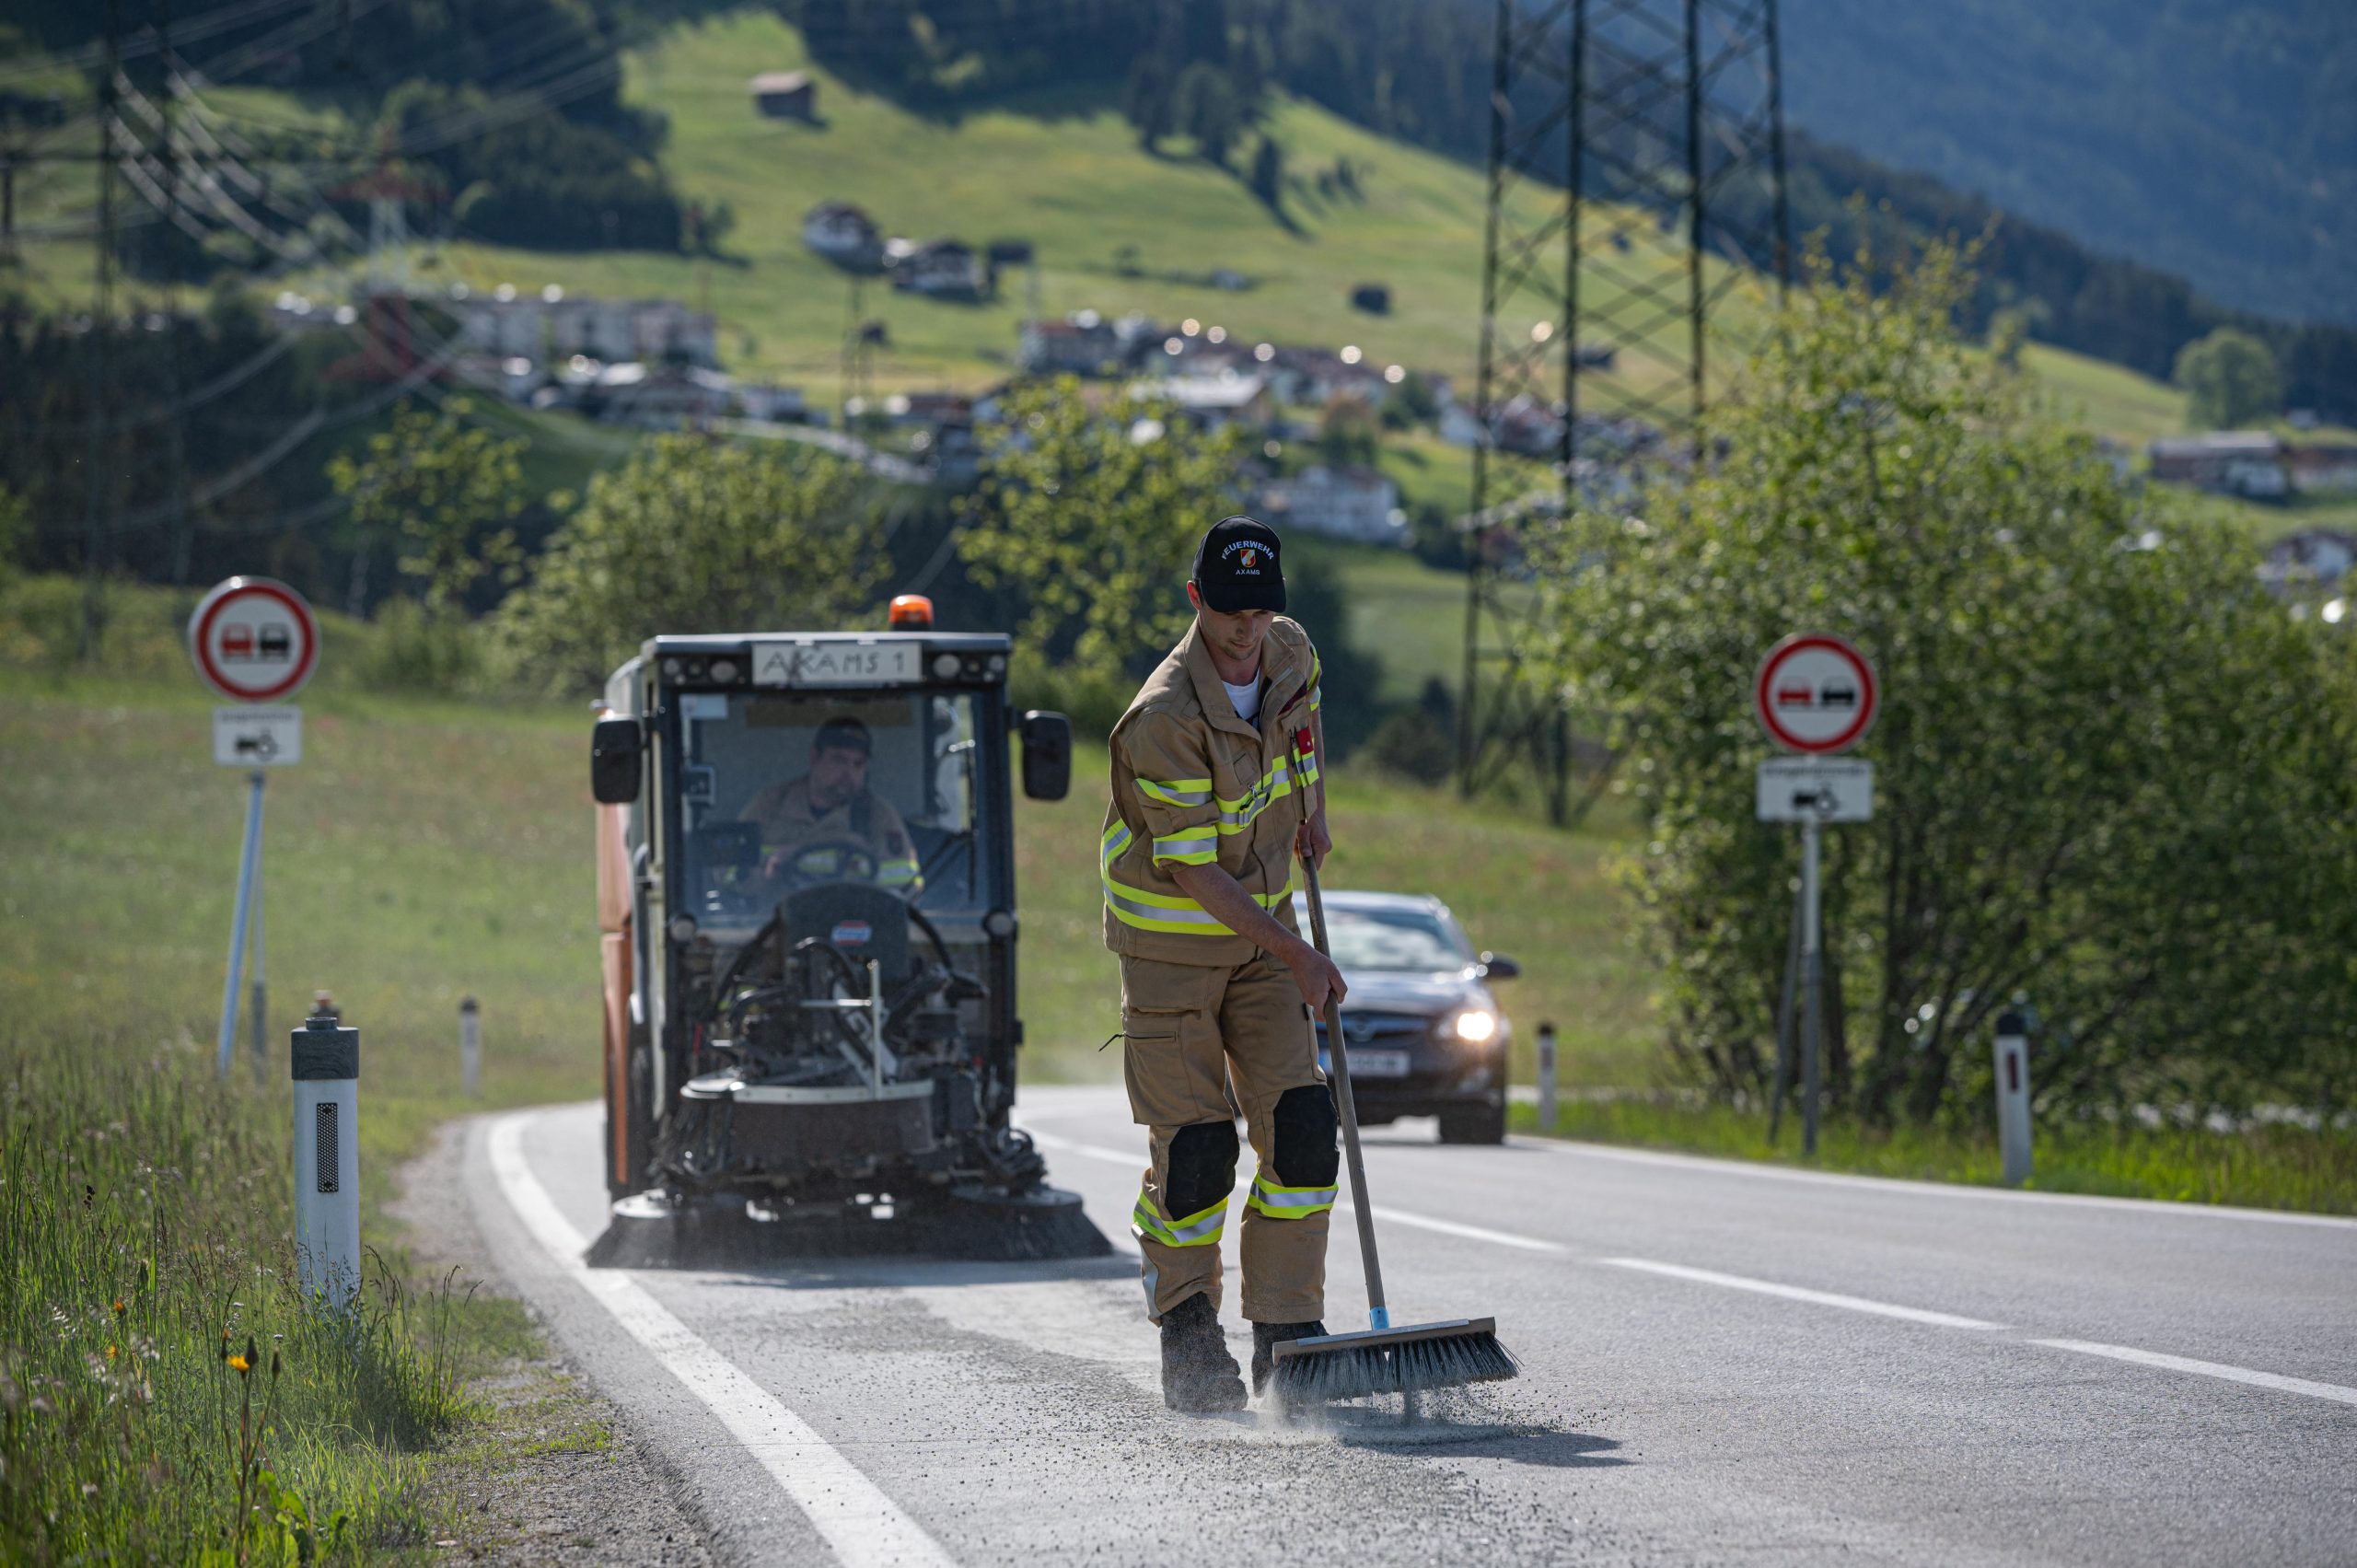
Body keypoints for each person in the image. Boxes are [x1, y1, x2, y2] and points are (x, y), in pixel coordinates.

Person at [1100, 515, 1347, 1412]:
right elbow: (1196, 870)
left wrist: (1313, 802)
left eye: (1260, 607)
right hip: (1172, 947)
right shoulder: (1163, 716)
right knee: (1199, 1148)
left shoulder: (1288, 649)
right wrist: (1302, 954)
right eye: (1228, 608)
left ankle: (1287, 1328)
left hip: (1259, 942)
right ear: (1196, 599)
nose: (1247, 626)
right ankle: (1187, 1322)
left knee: (1303, 1126)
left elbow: (1305, 718)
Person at [737, 716, 922, 890]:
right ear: (814, 757)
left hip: (852, 920)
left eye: (858, 764)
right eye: (839, 760)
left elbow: (904, 882)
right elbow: (729, 874)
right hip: (778, 920)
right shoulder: (771, 804)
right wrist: (768, 872)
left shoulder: (878, 815)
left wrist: (856, 873)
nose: (848, 772)